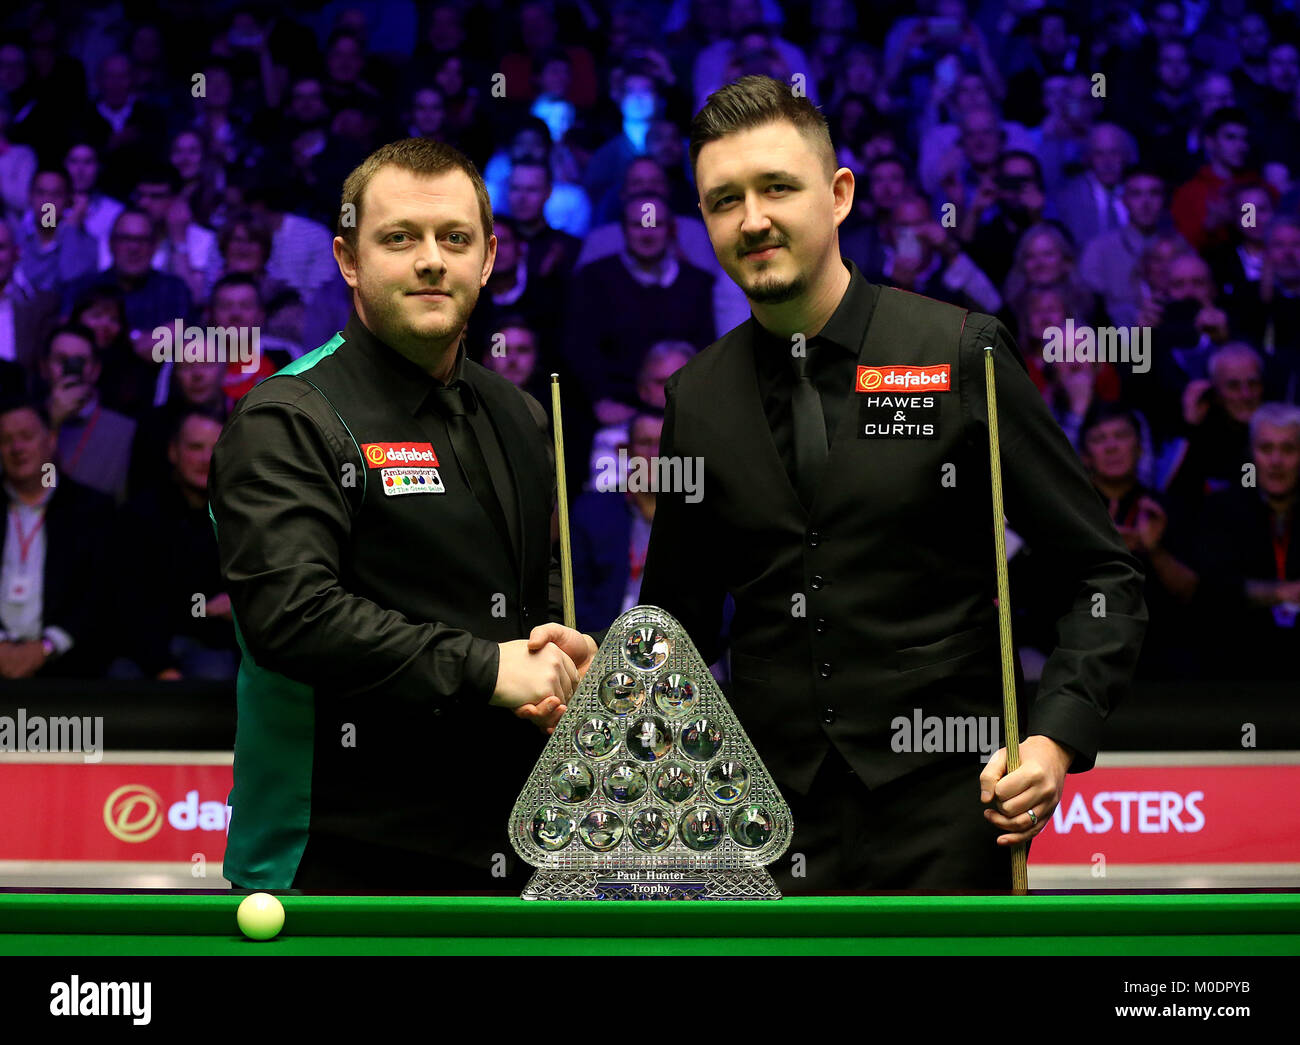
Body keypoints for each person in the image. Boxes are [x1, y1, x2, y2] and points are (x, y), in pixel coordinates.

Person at [639, 75, 1147, 893]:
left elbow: (1103, 574)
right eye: (723, 199)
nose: (753, 218)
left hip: (949, 809)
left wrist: (1053, 741)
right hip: (767, 828)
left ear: (839, 194)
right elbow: (676, 630)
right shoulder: (694, 399)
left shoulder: (957, 352)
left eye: (777, 187)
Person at [209, 137, 594, 894]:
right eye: (400, 238)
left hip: (507, 849)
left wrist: (556, 650)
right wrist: (489, 666)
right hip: (336, 856)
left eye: (455, 239)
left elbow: (531, 592)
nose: (431, 260)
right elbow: (290, 616)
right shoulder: (287, 415)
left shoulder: (518, 414)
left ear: (488, 259)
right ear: (348, 259)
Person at [0, 399, 113, 678]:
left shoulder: (92, 509)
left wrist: (48, 645)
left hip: (69, 665)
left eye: (26, 437)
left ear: (50, 439)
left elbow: (102, 591)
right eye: (5, 440)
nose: (17, 449)